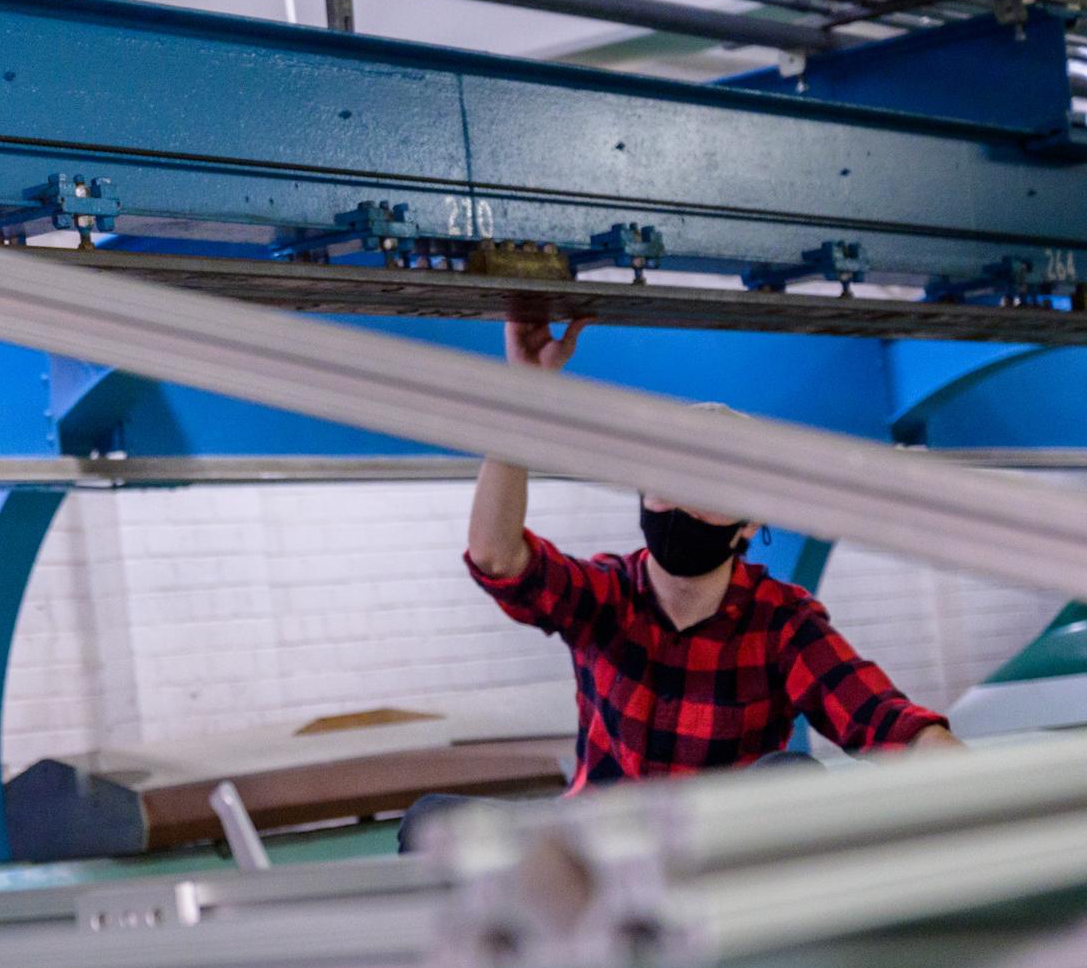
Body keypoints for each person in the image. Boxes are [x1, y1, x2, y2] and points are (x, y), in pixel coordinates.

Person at [400, 316, 957, 853]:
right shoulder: (606, 595)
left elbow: (890, 725)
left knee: (793, 776)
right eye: (668, 483)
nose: (680, 503)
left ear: (751, 520)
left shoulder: (781, 624)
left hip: (712, 848)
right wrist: (520, 391)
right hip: (596, 840)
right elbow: (496, 556)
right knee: (434, 821)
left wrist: (1003, 795)